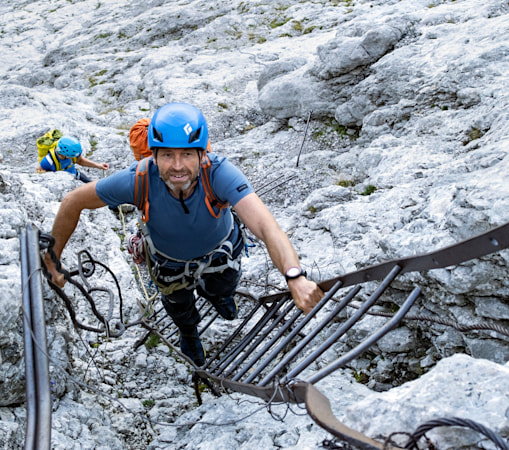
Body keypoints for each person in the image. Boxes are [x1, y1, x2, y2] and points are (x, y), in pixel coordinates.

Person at [43, 103, 323, 366]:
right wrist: (52, 258)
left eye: (187, 154)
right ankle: (189, 334)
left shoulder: (220, 174)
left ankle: (218, 295)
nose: (177, 166)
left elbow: (266, 227)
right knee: (179, 306)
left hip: (219, 253)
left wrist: (294, 276)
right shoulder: (138, 180)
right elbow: (72, 202)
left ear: (203, 154)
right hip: (170, 262)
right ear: (153, 155)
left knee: (223, 285)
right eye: (167, 155)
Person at [36, 135, 109, 183]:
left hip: (76, 175)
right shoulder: (48, 161)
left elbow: (81, 161)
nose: (76, 157)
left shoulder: (71, 154)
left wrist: (98, 165)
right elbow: (39, 171)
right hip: (64, 182)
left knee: (93, 187)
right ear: (66, 154)